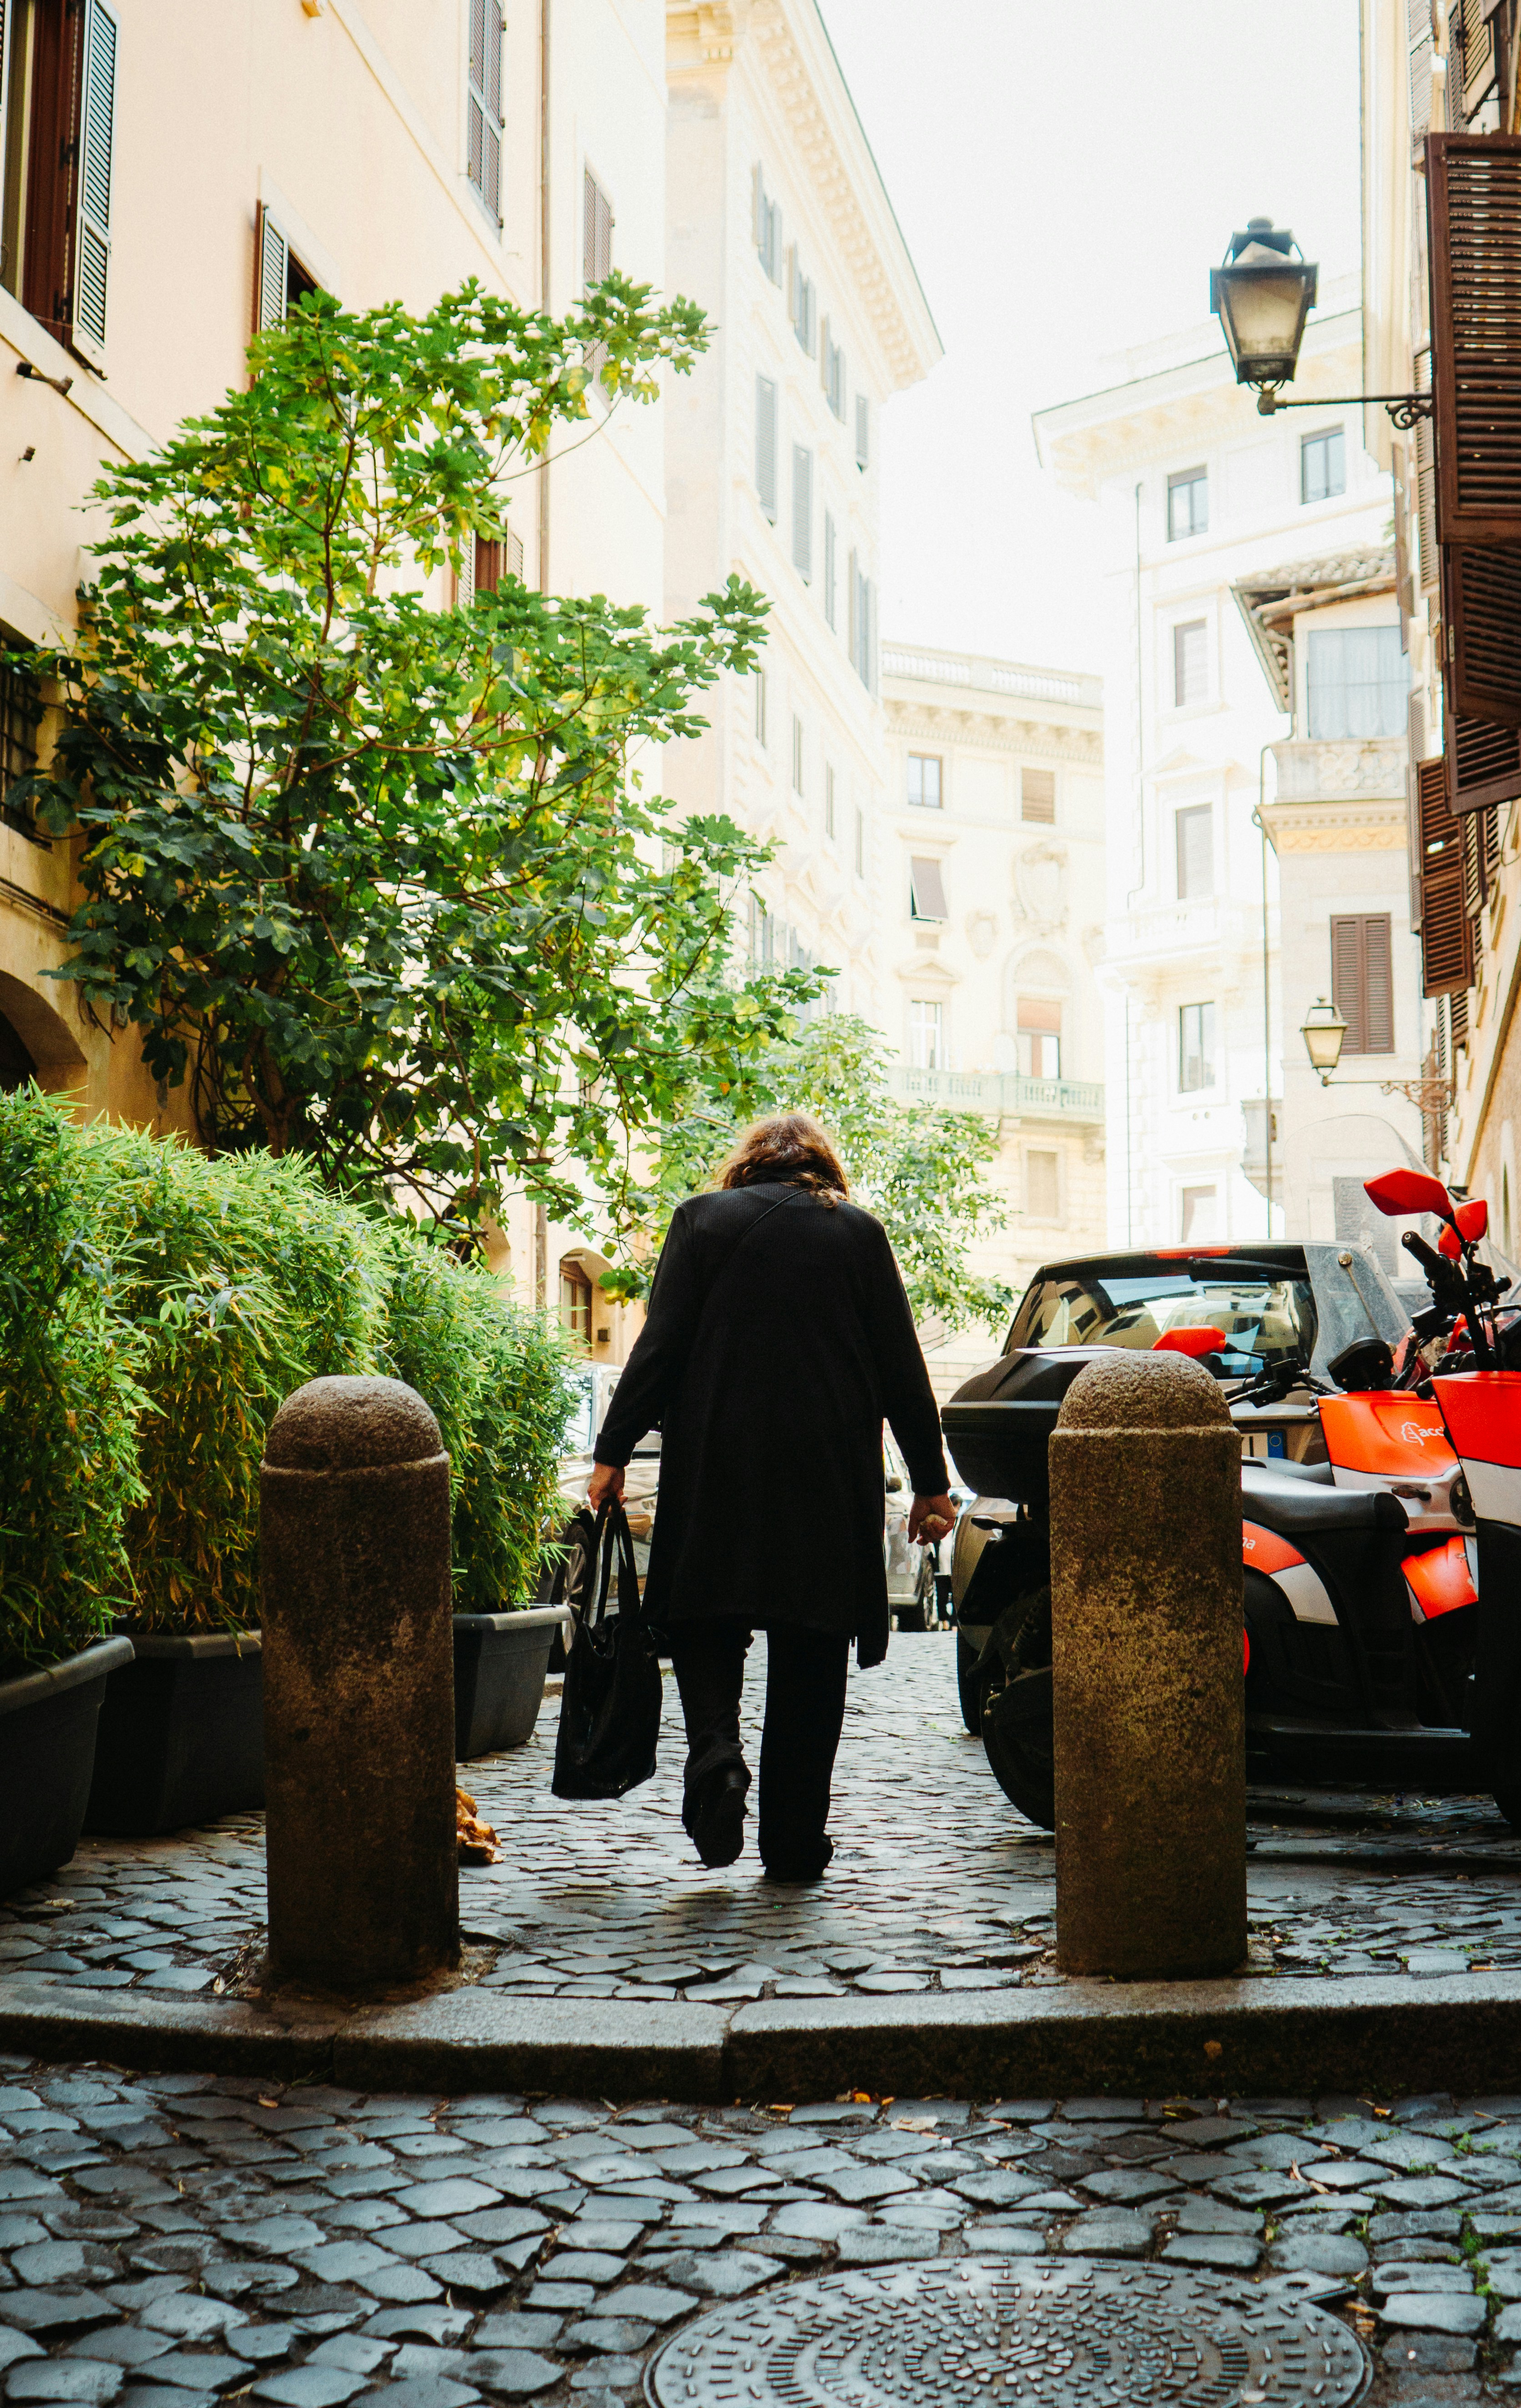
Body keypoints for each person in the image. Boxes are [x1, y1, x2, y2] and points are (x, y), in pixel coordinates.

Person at [587, 1111, 954, 1883]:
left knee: (705, 1617)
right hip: (827, 1471)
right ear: (823, 1168)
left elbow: (659, 1346)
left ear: (746, 1165)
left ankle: (716, 1756)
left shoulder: (700, 1220)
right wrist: (930, 1484)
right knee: (812, 1647)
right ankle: (792, 1843)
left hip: (716, 1460)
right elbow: (901, 1366)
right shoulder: (858, 1233)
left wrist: (611, 1452)